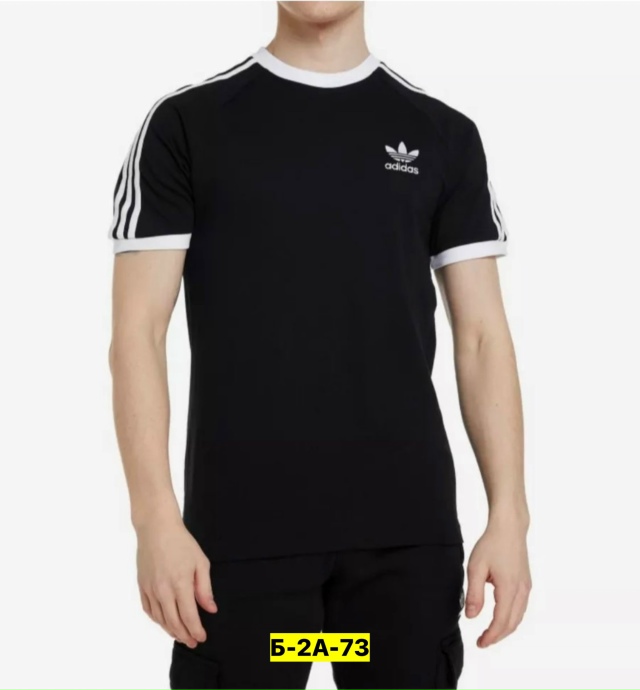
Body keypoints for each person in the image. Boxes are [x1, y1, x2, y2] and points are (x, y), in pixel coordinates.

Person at [109, 2, 531, 688]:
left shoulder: (442, 134)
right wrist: (153, 519)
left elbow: (482, 338)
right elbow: (137, 334)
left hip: (404, 543)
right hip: (241, 548)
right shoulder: (189, 124)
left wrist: (509, 515)